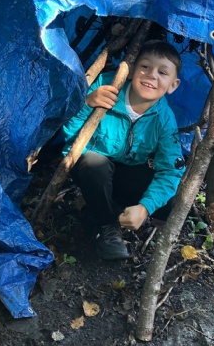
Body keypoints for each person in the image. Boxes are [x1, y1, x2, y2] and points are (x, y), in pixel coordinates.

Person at [62, 40, 185, 260]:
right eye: (145, 67)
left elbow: (170, 171)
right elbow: (67, 134)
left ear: (173, 85)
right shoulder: (106, 87)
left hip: (125, 172)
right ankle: (108, 224)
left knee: (172, 203)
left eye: (162, 72)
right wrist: (87, 104)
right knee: (95, 165)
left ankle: (100, 207)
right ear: (131, 71)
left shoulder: (164, 119)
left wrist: (145, 208)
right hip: (91, 168)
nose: (152, 76)